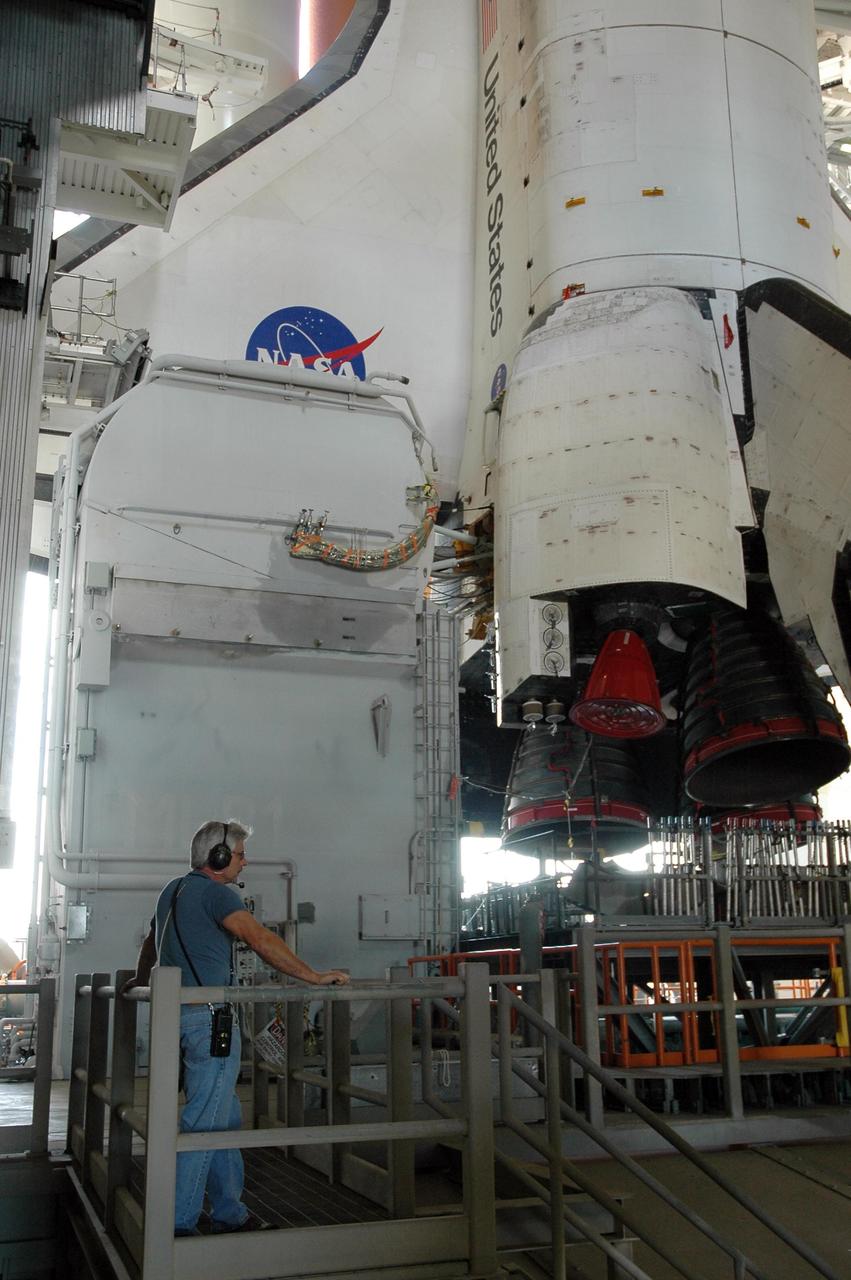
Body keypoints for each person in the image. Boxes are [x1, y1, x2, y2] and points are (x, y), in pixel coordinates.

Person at [125, 818, 349, 1236]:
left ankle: (230, 1211)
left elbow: (153, 941)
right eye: (240, 855)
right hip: (210, 1020)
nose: (245, 862)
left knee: (223, 1115)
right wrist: (314, 977)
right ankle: (177, 1224)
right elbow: (261, 941)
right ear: (219, 857)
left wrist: (140, 979)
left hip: (179, 1016)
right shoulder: (218, 894)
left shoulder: (172, 890)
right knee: (204, 1122)